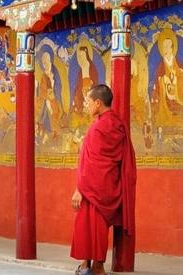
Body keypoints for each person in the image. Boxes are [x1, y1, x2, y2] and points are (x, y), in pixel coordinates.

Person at [71, 84, 137, 275]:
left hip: (92, 187)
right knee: (95, 226)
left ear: (98, 103)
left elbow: (92, 164)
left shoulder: (98, 129)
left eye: (88, 101)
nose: (86, 105)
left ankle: (91, 268)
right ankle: (91, 266)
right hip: (109, 185)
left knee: (88, 225)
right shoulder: (119, 124)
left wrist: (79, 189)